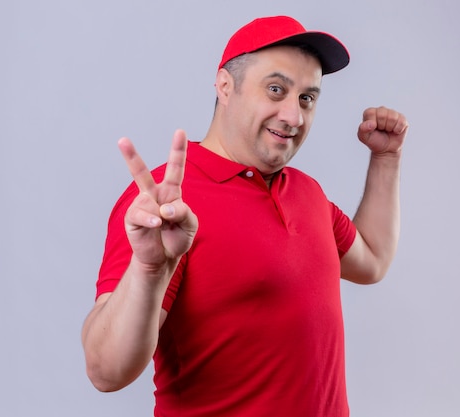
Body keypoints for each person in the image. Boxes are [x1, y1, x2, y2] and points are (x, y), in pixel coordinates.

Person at [82, 15, 408, 417]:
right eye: (276, 90)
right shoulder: (164, 205)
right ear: (225, 86)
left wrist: (386, 158)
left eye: (307, 98)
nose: (294, 116)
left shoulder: (307, 192)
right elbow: (104, 371)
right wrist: (149, 270)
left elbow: (372, 259)